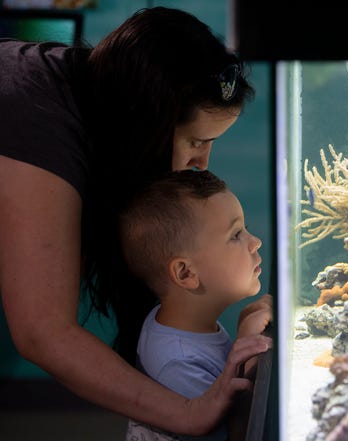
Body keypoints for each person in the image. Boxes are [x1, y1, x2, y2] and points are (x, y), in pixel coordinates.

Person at [0, 6, 271, 437]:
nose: (201, 164)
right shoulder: (39, 122)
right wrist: (188, 412)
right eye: (196, 141)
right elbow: (41, 331)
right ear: (146, 120)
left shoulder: (92, 88)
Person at [119, 170, 271, 441]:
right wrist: (248, 353)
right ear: (186, 274)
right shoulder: (178, 363)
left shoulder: (179, 322)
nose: (255, 242)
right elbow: (239, 436)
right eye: (236, 235)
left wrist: (243, 336)